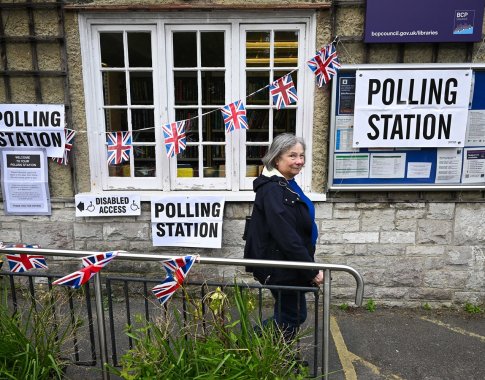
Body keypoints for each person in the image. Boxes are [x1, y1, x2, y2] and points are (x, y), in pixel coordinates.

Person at [244, 133, 324, 342]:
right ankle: (249, 346)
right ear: (277, 158)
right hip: (282, 265)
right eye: (292, 156)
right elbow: (285, 234)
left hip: (290, 264)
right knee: (292, 315)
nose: (299, 161)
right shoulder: (273, 188)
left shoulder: (287, 183)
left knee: (290, 314)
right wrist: (311, 269)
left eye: (301, 155)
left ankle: (274, 358)